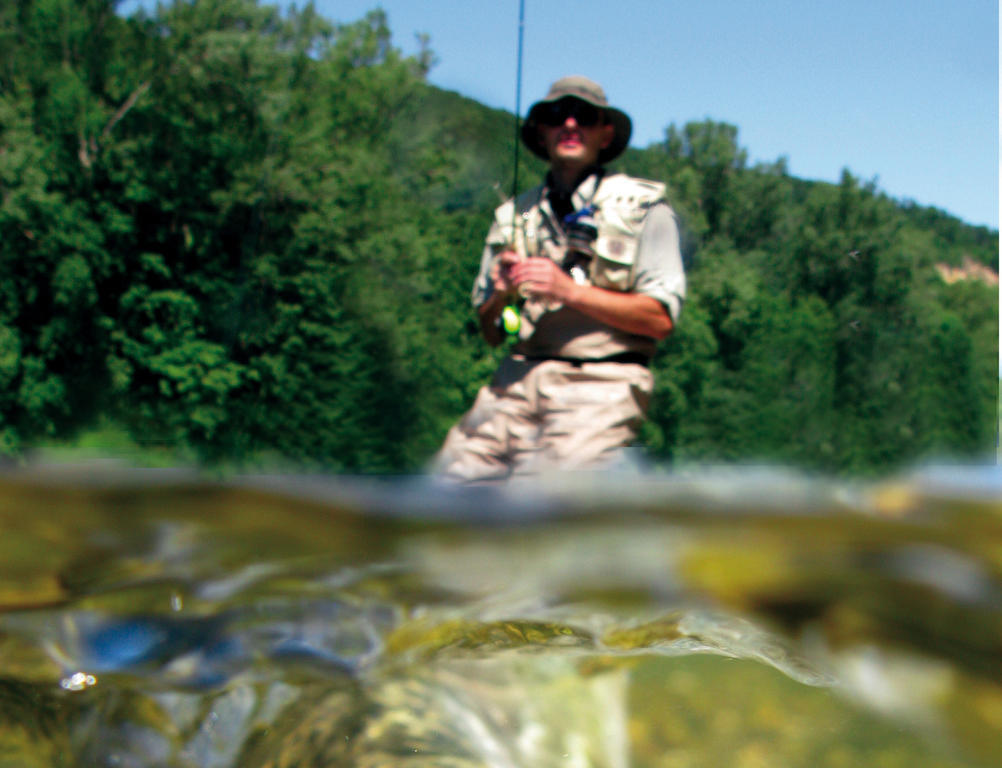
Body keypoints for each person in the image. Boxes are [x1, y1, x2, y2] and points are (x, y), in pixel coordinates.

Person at [434, 75, 685, 482]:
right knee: (445, 492)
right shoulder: (511, 216)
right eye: (556, 115)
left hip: (602, 381)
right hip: (514, 380)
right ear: (541, 131)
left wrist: (568, 291)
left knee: (543, 500)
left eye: (584, 116)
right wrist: (500, 296)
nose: (569, 124)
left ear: (605, 134)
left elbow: (659, 320)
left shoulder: (645, 210)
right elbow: (492, 332)